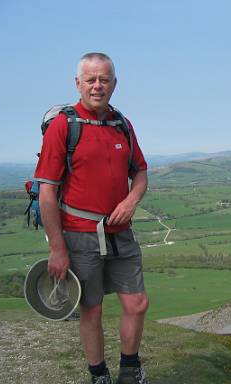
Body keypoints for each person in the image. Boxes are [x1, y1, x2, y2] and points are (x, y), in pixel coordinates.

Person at [34, 52, 150, 384]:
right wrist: (57, 248)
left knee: (137, 303)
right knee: (92, 309)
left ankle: (129, 369)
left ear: (114, 83)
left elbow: (140, 172)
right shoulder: (63, 127)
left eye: (104, 79)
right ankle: (99, 375)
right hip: (79, 233)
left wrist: (131, 199)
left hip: (121, 233)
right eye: (91, 80)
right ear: (78, 83)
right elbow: (46, 193)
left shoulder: (122, 124)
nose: (97, 86)